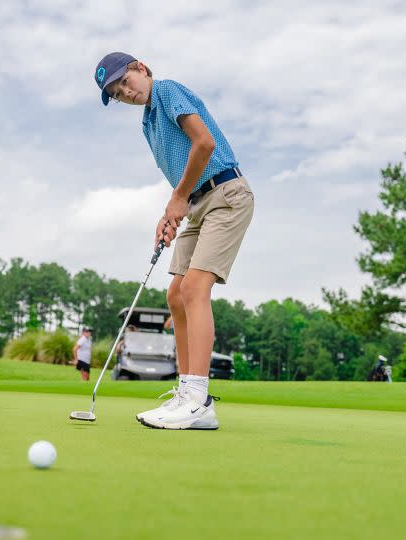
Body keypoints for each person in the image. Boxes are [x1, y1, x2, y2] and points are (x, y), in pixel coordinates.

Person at [94, 53, 254, 430]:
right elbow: (180, 176)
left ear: (142, 68)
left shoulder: (167, 91)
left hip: (227, 194)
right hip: (198, 203)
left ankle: (199, 400)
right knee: (175, 295)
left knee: (196, 288)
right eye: (116, 93)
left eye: (125, 80)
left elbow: (204, 144)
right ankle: (185, 393)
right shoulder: (147, 124)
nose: (124, 92)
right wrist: (171, 214)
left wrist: (178, 199)